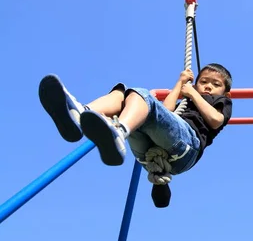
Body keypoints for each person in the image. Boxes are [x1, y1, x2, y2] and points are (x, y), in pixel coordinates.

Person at [38, 64, 232, 175]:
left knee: (143, 95)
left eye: (215, 84)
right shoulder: (189, 99)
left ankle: (118, 132)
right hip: (151, 149)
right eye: (203, 82)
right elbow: (166, 110)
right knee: (122, 94)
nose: (207, 87)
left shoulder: (219, 101)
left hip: (187, 147)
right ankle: (80, 114)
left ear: (225, 93)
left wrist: (194, 94)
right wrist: (180, 84)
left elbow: (216, 120)